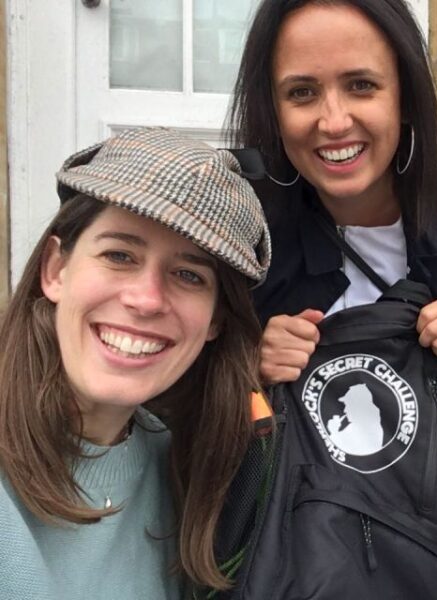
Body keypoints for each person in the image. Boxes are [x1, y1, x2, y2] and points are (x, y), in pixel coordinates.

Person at [228, 0, 437, 550]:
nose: (334, 122)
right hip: (303, 473)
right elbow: (182, 373)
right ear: (273, 107)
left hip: (431, 469)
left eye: (361, 85)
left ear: (404, 96)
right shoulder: (249, 221)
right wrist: (249, 361)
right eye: (302, 92)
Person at [0, 127, 271, 599]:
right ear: (55, 270)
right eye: (119, 254)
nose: (146, 299)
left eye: (189, 274)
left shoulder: (200, 474)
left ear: (215, 320)